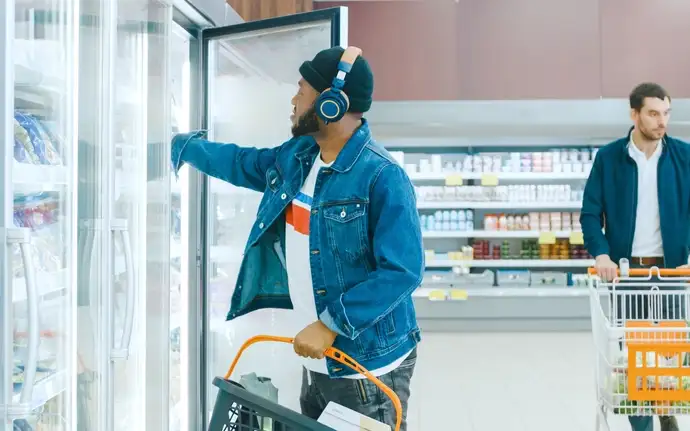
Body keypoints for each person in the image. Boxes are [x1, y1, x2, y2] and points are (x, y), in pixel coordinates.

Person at [170, 46, 423, 430]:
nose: (293, 99)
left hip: (365, 366)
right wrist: (187, 148)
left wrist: (332, 323)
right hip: (318, 358)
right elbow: (243, 163)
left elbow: (403, 271)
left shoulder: (382, 176)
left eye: (301, 89)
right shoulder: (301, 156)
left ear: (332, 103)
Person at [582, 82, 690, 431]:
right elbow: (589, 213)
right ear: (634, 114)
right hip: (626, 277)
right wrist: (601, 254)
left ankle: (665, 409)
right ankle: (642, 425)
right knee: (631, 360)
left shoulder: (683, 157)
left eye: (666, 114)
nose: (662, 122)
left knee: (668, 357)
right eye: (654, 113)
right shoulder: (610, 158)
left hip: (671, 274)